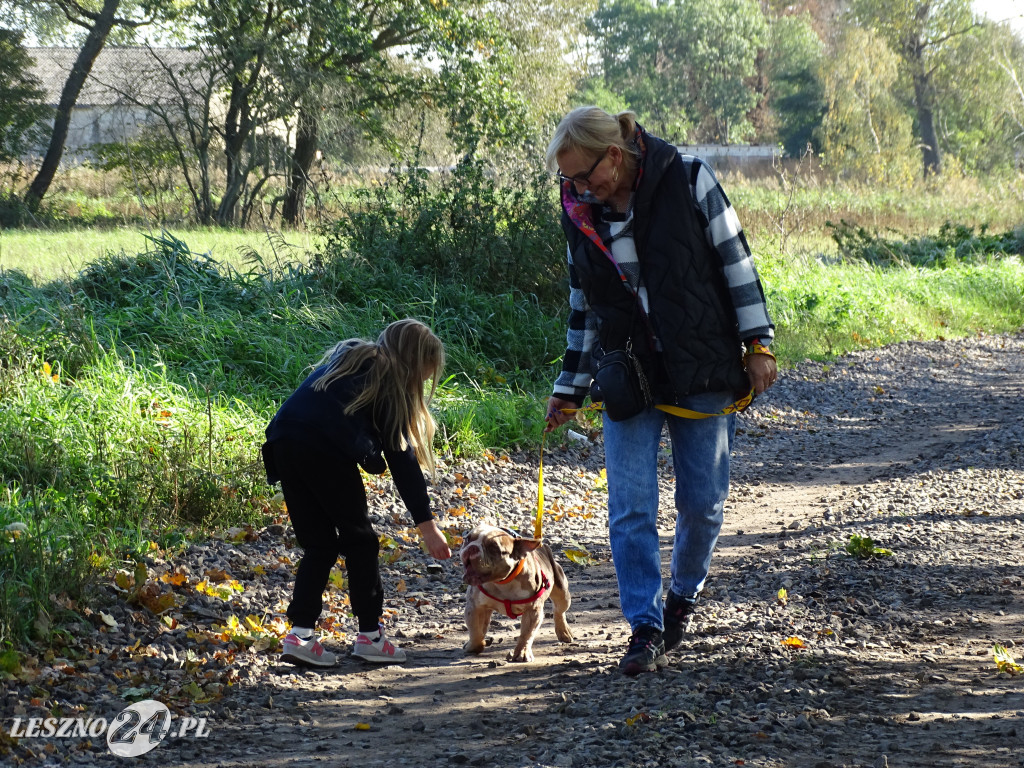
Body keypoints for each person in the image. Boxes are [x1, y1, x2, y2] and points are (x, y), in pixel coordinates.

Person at [543, 106, 777, 676]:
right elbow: (584, 305)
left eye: (584, 175)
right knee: (629, 506)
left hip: (702, 365)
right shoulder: (580, 212)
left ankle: (683, 598)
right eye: (567, 180)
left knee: (703, 505)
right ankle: (644, 627)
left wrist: (758, 343)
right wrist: (569, 387)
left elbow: (735, 262)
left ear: (615, 157)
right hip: (626, 374)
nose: (577, 189)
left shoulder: (689, 176)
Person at [262, 318, 452, 667]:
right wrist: (428, 526)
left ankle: (300, 634)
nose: (424, 382)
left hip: (282, 441)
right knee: (361, 541)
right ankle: (371, 637)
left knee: (319, 544)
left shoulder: (347, 358)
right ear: (414, 362)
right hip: (322, 448)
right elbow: (402, 461)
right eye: (426, 374)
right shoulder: (389, 378)